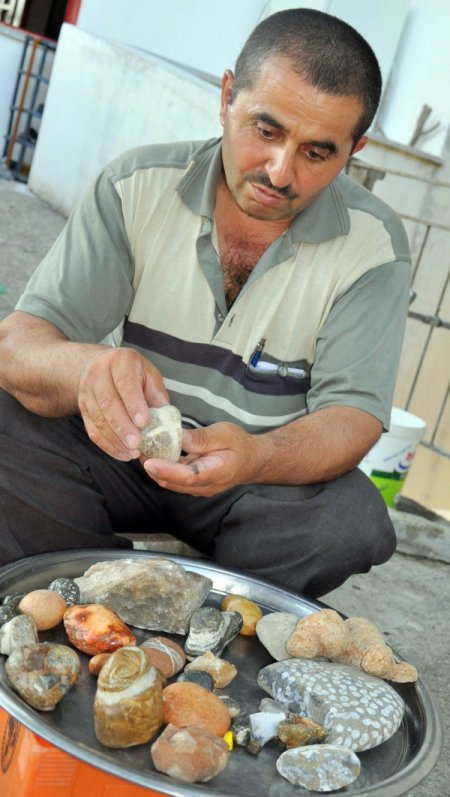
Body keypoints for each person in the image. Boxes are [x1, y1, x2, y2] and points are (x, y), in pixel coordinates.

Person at [0, 8, 411, 598]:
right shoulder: (137, 185)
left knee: (351, 520)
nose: (280, 172)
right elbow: (18, 344)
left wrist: (259, 456)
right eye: (265, 131)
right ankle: (113, 595)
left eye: (317, 154)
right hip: (118, 454)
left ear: (355, 150)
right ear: (226, 97)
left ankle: (185, 607)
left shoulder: (374, 245)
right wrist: (87, 368)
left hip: (253, 484)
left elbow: (353, 418)